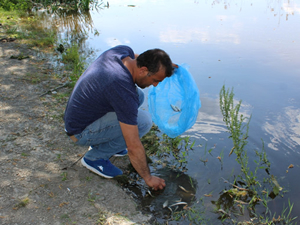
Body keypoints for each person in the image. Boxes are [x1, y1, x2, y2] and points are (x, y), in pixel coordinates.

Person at [64, 45, 177, 191]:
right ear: (143, 70)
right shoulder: (121, 88)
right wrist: (148, 178)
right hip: (79, 132)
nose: (154, 85)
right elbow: (133, 145)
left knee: (139, 96)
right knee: (143, 122)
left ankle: (109, 141)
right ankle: (95, 158)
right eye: (155, 80)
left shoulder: (121, 52)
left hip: (77, 117)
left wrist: (166, 65)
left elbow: (137, 56)